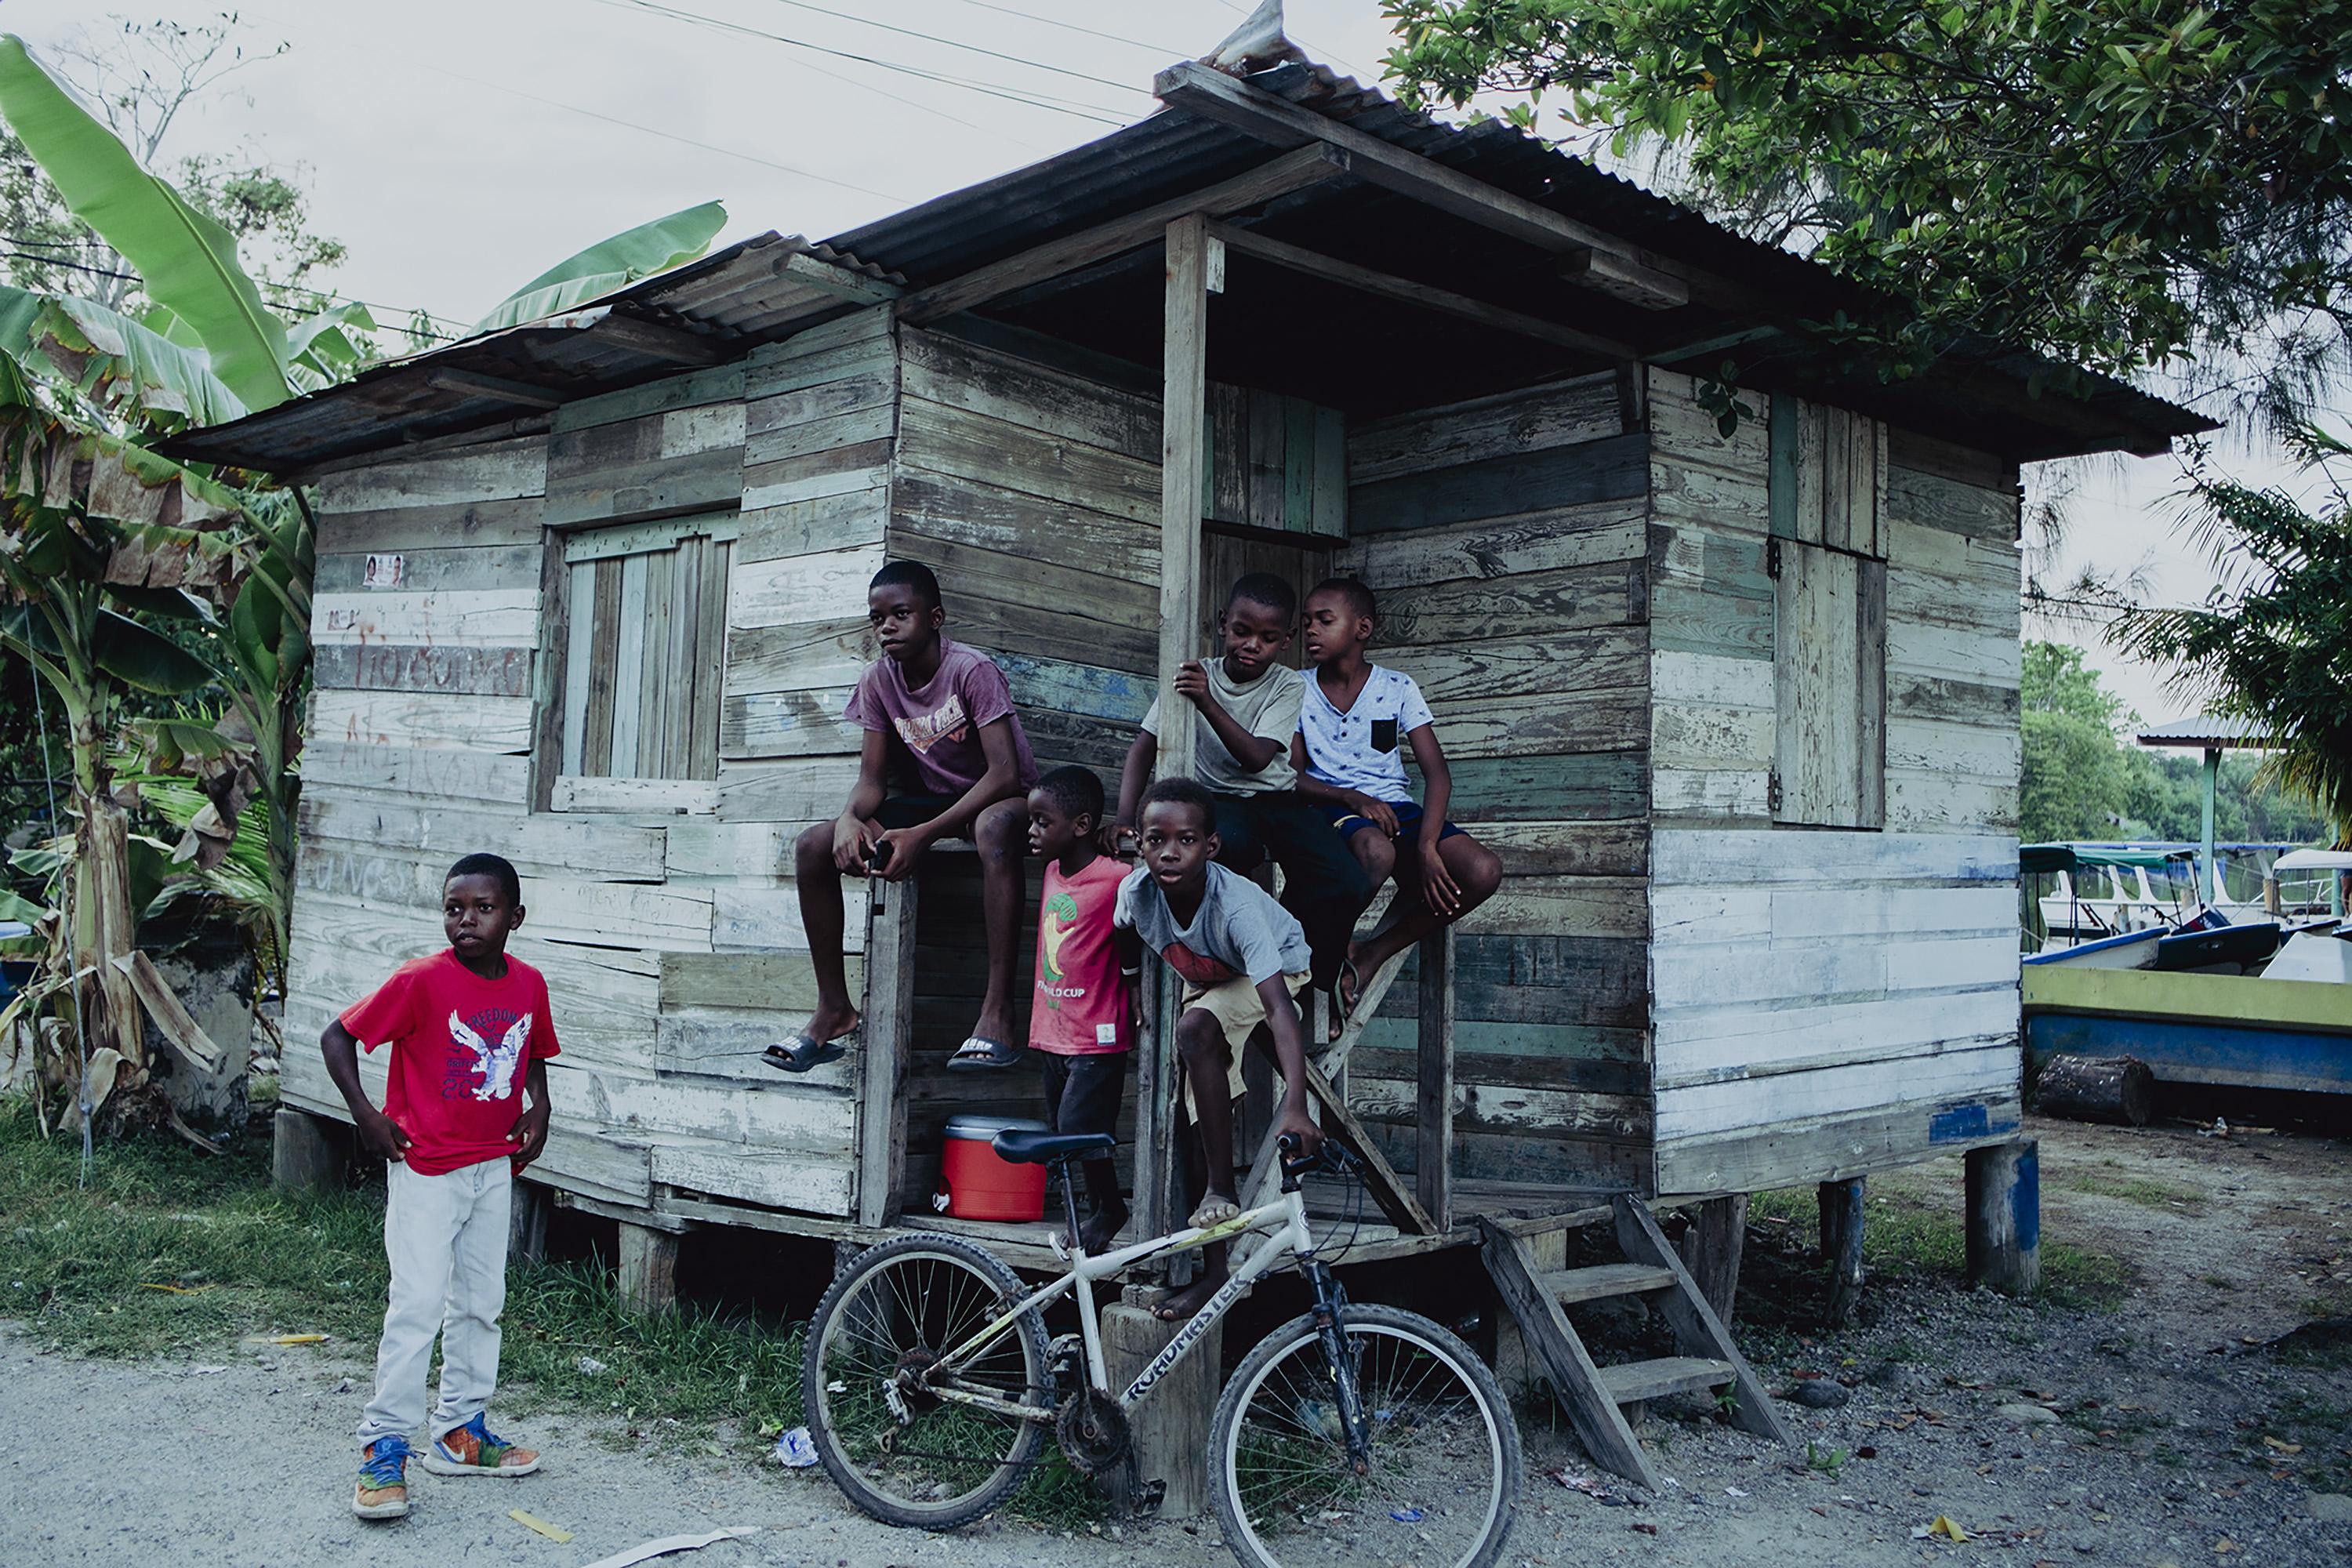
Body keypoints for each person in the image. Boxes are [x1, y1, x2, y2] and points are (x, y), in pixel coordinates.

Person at [321, 851, 557, 1522]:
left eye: (483, 908)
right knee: (418, 1304)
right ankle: (385, 1444)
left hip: (492, 1166)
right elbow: (337, 1036)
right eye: (455, 907)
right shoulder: (422, 981)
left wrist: (540, 1104)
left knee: (482, 1301)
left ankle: (460, 1431)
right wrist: (367, 1117)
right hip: (426, 1168)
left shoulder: (529, 982)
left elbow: (531, 1047)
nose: (467, 920)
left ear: (515, 916)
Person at [778, 560, 1038, 1073]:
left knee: (992, 826)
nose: (888, 628)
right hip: (938, 800)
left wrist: (923, 835)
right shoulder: (878, 680)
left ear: (935, 618)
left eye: (901, 614)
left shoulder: (970, 670)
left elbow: (1006, 773)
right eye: (877, 619)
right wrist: (851, 816)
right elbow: (873, 781)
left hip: (1001, 797)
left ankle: (998, 1012)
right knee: (813, 845)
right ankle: (834, 1008)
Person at [1110, 572, 1370, 1020]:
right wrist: (1123, 817)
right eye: (1242, 632)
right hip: (1218, 801)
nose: (1252, 646)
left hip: (1276, 798)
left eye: (1268, 638)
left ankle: (1309, 978)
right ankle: (1225, 973)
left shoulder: (1287, 685)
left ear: (1286, 640)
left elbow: (1256, 758)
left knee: (1344, 879)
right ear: (1222, 624)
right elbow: (1143, 748)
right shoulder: (1194, 676)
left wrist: (1208, 702)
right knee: (1226, 852)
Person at [1115, 778, 1323, 1321]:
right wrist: (1133, 981)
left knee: (1194, 1031)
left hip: (1277, 967)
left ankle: (1219, 1189)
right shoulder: (1136, 893)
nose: (1169, 852)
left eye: (1185, 840)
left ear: (1210, 847)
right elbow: (1121, 932)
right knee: (1191, 1112)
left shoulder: (1237, 909)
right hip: (1210, 975)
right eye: (1156, 839)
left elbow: (1279, 1006)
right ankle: (1214, 1273)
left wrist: (1297, 1103)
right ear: (1139, 842)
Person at [1292, 578, 1503, 1036]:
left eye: (1324, 621)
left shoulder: (1397, 687)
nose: (1311, 630)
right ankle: (1321, 978)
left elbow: (1438, 776)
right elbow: (1293, 776)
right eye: (1306, 621)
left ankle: (1370, 952)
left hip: (1395, 809)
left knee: (1483, 870)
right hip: (1332, 807)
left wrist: (1428, 847)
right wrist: (1352, 797)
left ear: (1362, 628)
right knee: (1376, 852)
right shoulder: (1297, 689)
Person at [1023, 764, 1140, 1251]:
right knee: (1065, 1134)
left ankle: (1109, 1210)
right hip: (1051, 1028)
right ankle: (1092, 1212)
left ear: (1082, 825)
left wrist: (1135, 995)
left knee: (1080, 1130)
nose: (1032, 831)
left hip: (1098, 1032)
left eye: (1043, 822)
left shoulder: (1117, 877)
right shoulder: (1052, 871)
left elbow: (1133, 940)